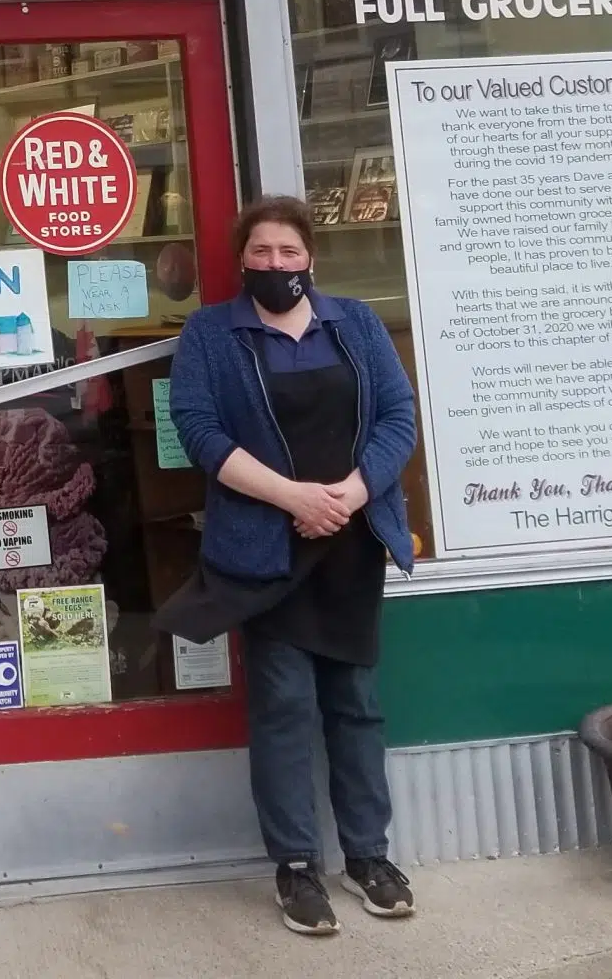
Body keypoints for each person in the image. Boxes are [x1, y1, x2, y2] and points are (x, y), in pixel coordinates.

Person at [164, 196, 419, 938]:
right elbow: (199, 431)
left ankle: (368, 856)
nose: (276, 264)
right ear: (242, 260)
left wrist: (350, 494)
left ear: (311, 258)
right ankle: (297, 866)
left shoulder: (356, 324)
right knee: (282, 708)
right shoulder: (212, 333)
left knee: (357, 704)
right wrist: (294, 499)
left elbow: (398, 416)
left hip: (350, 541)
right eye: (262, 252)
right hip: (266, 551)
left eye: (289, 251)